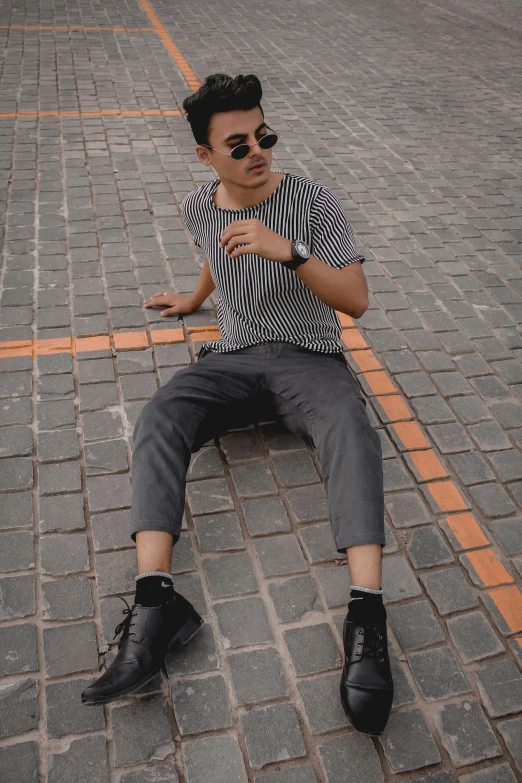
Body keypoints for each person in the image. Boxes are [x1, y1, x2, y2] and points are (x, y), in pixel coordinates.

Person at [81, 73, 393, 736]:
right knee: (162, 413)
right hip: (235, 358)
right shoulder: (199, 205)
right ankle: (155, 603)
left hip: (311, 359)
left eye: (264, 135)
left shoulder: (312, 202)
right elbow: (214, 251)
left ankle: (368, 613)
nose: (257, 150)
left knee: (351, 427)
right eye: (238, 142)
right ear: (206, 155)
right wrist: (193, 301)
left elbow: (356, 299)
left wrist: (292, 251)